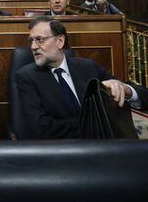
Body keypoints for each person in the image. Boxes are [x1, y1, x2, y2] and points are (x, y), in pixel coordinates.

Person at [15, 16, 148, 139]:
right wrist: (94, 123)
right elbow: (40, 129)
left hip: (105, 146)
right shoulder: (26, 77)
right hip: (62, 152)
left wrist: (127, 90)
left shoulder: (88, 67)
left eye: (40, 40)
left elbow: (144, 96)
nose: (33, 47)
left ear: (60, 41)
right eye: (31, 41)